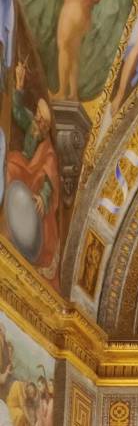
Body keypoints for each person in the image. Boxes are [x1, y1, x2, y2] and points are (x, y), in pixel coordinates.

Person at [6, 62, 60, 277]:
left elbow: (50, 179)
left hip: (35, 179)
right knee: (10, 165)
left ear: (47, 127)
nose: (37, 120)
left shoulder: (49, 152)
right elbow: (17, 111)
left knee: (16, 169)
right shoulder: (31, 123)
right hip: (24, 166)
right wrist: (19, 84)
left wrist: (43, 198)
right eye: (37, 116)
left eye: (41, 120)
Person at [55, 0, 129, 100]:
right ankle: (73, 93)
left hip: (73, 8)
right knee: (73, 54)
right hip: (83, 13)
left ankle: (62, 91)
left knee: (63, 46)